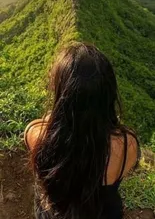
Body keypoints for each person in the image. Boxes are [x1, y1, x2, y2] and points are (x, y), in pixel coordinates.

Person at [24, 43, 140, 219]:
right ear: (108, 93)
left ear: (61, 93)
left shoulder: (37, 135)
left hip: (53, 213)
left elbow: (37, 127)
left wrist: (53, 118)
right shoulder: (127, 144)